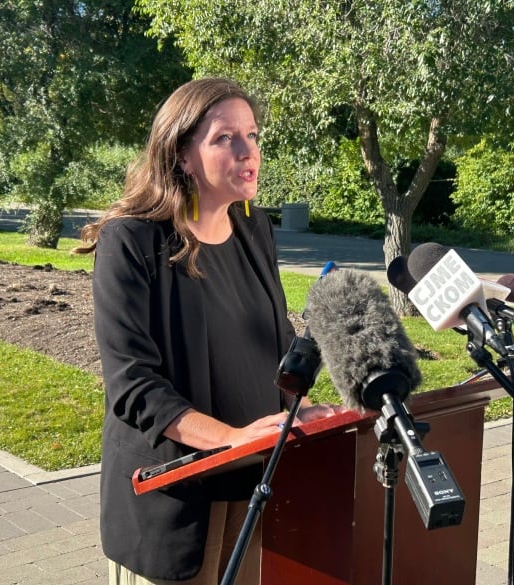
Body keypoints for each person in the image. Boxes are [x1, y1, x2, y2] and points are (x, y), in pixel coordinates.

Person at [75, 77, 337, 584]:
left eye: (253, 135)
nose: (248, 151)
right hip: (174, 503)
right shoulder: (131, 240)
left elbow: (270, 345)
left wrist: (299, 411)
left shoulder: (254, 229)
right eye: (225, 138)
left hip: (254, 489)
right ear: (181, 155)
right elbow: (133, 387)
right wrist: (231, 439)